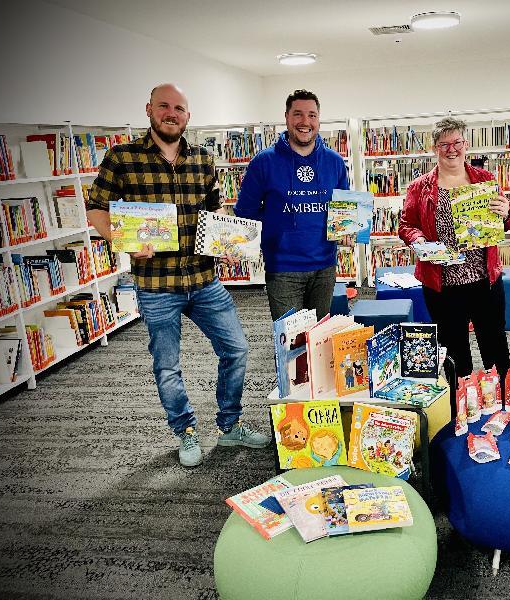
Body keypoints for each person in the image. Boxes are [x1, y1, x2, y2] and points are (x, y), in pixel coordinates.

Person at [86, 83, 269, 467]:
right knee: (167, 365)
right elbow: (95, 209)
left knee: (236, 349)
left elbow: (216, 214)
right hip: (157, 285)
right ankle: (185, 430)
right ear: (149, 109)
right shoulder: (121, 158)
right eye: (165, 106)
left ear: (188, 115)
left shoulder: (203, 159)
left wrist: (231, 241)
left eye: (180, 108)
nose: (172, 113)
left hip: (204, 279)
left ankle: (229, 425)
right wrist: (121, 239)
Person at [399, 117, 510, 385]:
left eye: (457, 143)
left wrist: (506, 213)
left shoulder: (484, 179)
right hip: (442, 284)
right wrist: (419, 241)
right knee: (454, 349)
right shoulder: (419, 187)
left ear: (466, 145)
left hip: (484, 279)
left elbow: (507, 222)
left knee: (495, 344)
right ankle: (461, 406)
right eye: (444, 144)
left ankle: (502, 402)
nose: (451, 149)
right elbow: (406, 225)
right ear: (434, 148)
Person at [234, 89, 349, 321]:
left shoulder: (335, 162)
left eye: (312, 115)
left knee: (319, 338)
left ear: (318, 119)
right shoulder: (263, 162)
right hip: (283, 268)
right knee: (289, 342)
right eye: (298, 114)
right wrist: (237, 247)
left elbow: (344, 208)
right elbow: (245, 213)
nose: (305, 122)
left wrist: (349, 231)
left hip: (324, 266)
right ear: (286, 117)